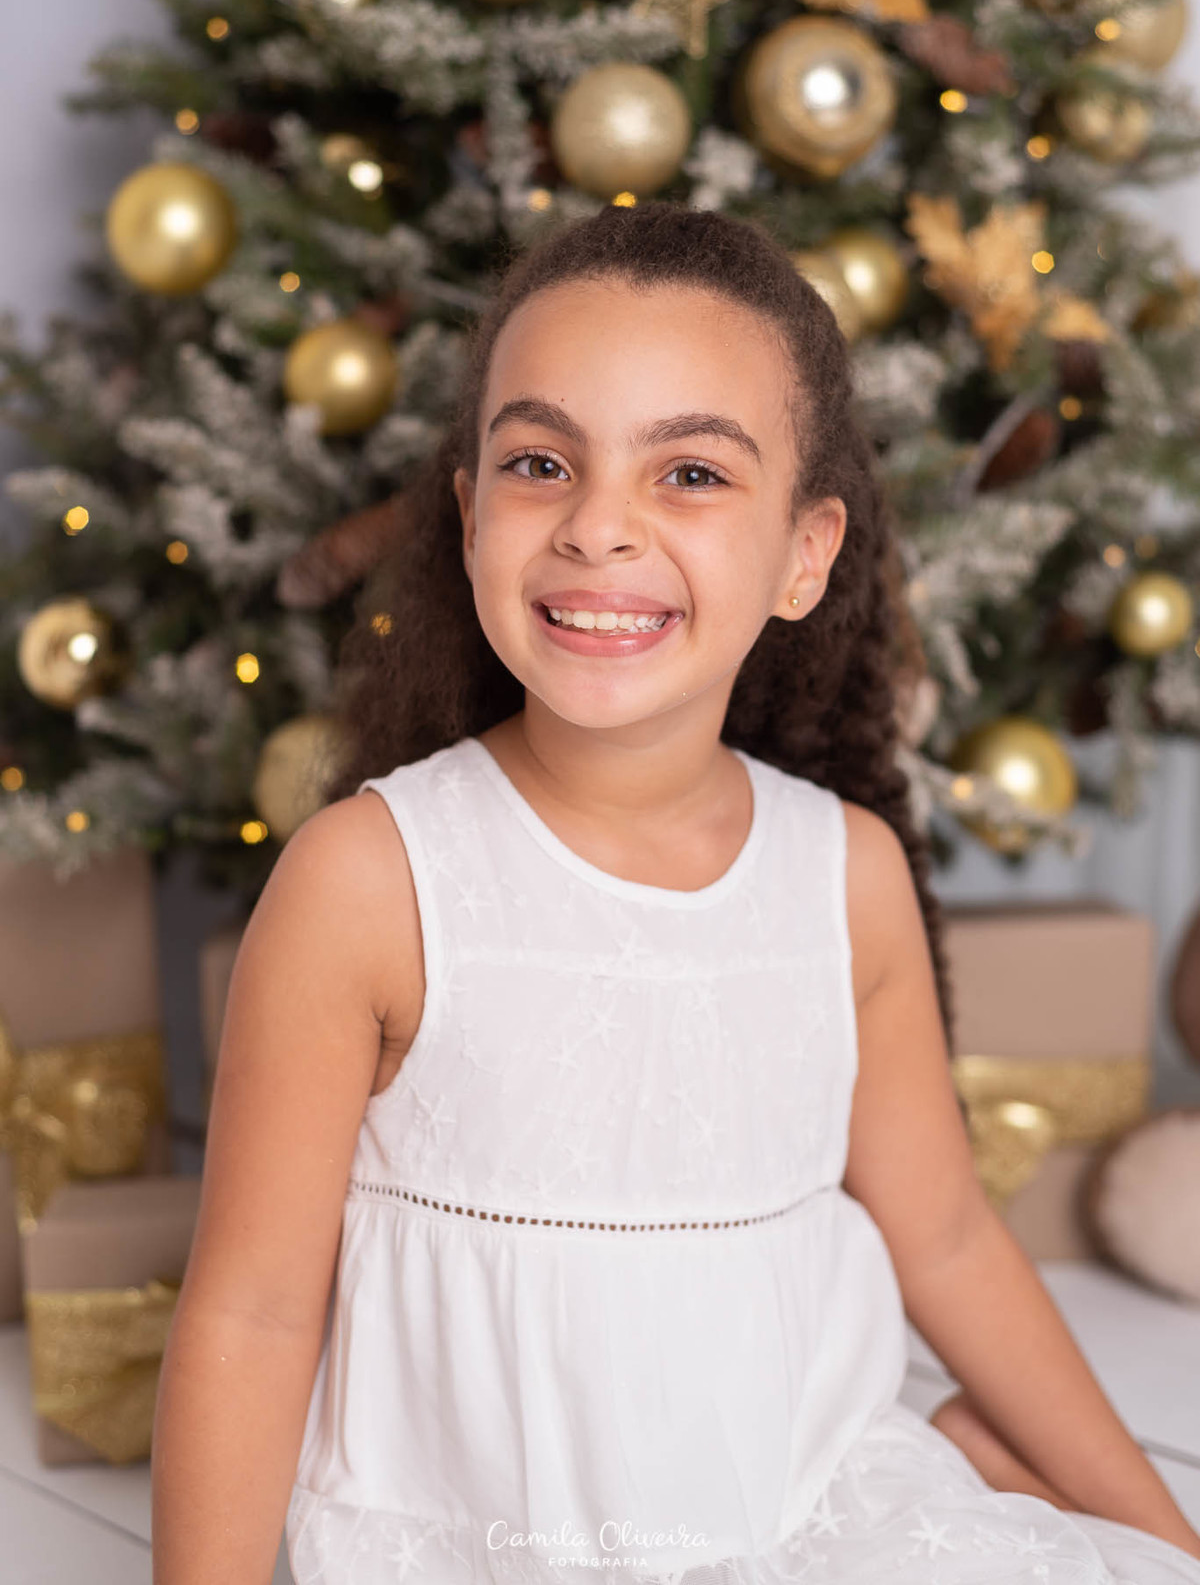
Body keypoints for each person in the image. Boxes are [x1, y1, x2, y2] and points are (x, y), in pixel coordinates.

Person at [151, 202, 1200, 1584]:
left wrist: (1162, 1539)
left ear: (804, 554)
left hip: (808, 1510)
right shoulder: (370, 880)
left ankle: (983, 1472)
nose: (599, 528)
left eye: (691, 473)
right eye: (541, 463)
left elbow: (946, 1236)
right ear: (469, 516)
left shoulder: (846, 875)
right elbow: (253, 1312)